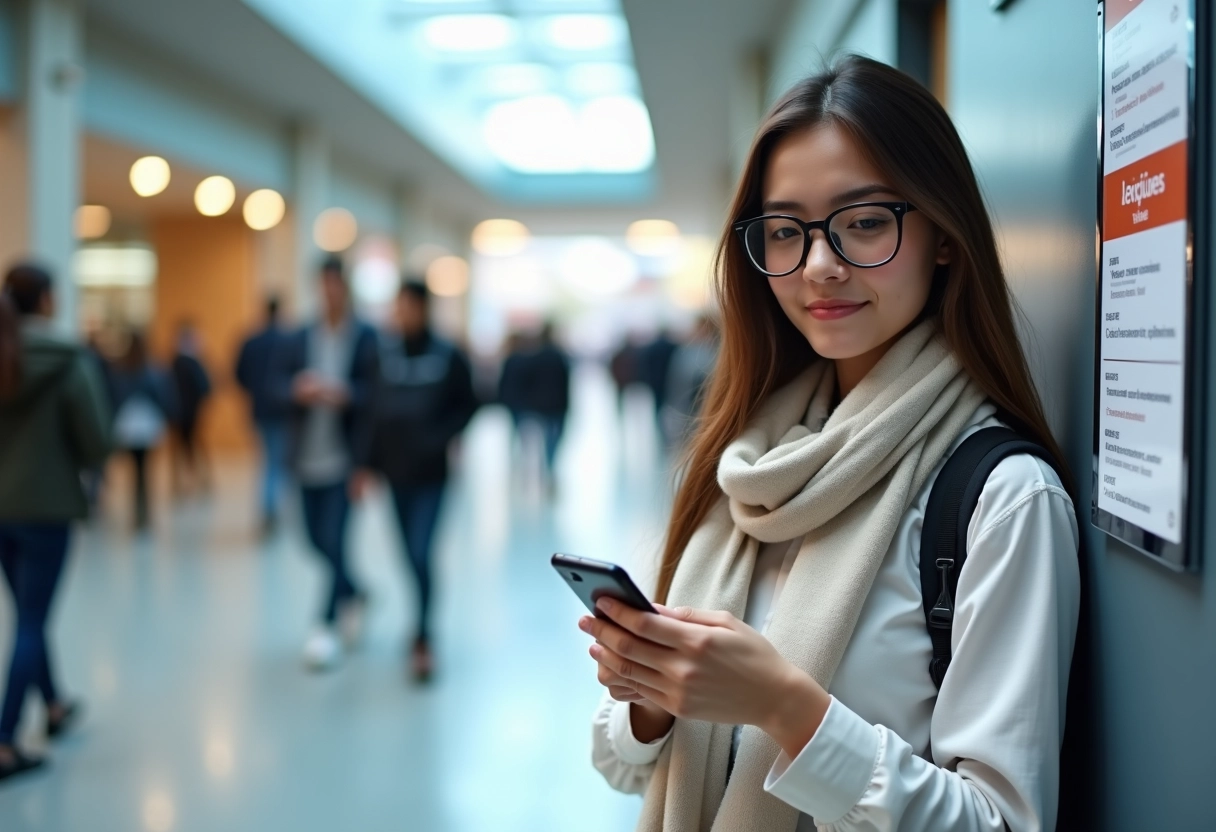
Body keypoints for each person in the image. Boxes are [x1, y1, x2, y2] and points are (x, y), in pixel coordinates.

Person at [583, 56, 1080, 831]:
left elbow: (1001, 822)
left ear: (944, 236)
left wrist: (785, 708)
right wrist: (651, 697)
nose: (819, 265)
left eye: (866, 222)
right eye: (785, 232)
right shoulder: (750, 463)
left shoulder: (1002, 496)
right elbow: (618, 763)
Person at [0, 264, 109, 781]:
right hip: (46, 508)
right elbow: (96, 438)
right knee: (32, 621)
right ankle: (3, 739)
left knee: (27, 612)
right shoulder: (68, 361)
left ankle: (55, 704)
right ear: (45, 300)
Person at [353, 280, 477, 681]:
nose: (402, 313)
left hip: (431, 475)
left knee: (422, 552)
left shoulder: (447, 354)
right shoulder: (383, 353)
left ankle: (424, 635)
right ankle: (419, 618)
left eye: (408, 306)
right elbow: (372, 411)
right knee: (408, 553)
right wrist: (364, 466)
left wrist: (441, 436)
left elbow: (470, 402)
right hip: (395, 472)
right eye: (398, 306)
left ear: (423, 308)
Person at [269, 257, 377, 671]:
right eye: (323, 286)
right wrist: (297, 390)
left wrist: (345, 394)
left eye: (336, 285)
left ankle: (324, 626)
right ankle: (357, 591)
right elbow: (274, 386)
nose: (329, 293)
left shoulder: (365, 337)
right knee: (313, 539)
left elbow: (375, 396)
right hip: (305, 457)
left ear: (345, 288)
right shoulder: (300, 337)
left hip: (344, 460)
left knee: (335, 539)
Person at [235, 297, 290, 534]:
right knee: (278, 461)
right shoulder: (288, 340)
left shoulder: (251, 341)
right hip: (283, 410)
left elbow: (239, 374)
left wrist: (255, 392)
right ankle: (272, 509)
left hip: (260, 408)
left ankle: (270, 508)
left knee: (269, 460)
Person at [111, 332, 176, 530]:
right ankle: (144, 512)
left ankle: (138, 512)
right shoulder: (152, 369)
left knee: (136, 472)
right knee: (145, 471)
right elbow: (163, 396)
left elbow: (115, 398)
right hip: (147, 428)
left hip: (129, 428)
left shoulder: (121, 370)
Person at [517, 322, 570, 494]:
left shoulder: (534, 356)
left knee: (541, 439)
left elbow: (527, 383)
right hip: (556, 406)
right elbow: (565, 383)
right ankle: (549, 468)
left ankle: (542, 469)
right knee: (552, 441)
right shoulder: (559, 357)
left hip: (540, 406)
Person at [169, 321, 213, 495]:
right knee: (193, 449)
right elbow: (206, 387)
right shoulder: (192, 362)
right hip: (191, 412)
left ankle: (184, 484)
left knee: (182, 450)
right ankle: (198, 482)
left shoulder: (174, 361)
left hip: (178, 413)